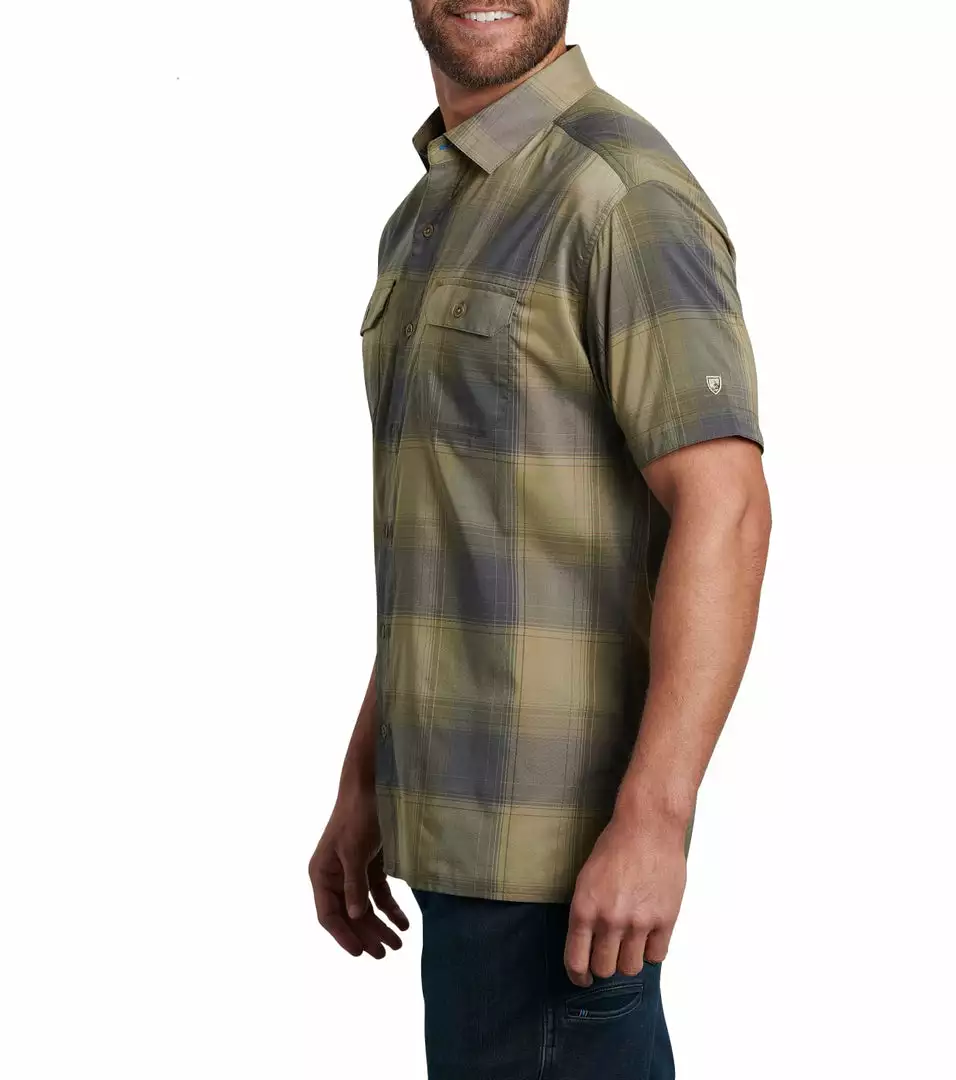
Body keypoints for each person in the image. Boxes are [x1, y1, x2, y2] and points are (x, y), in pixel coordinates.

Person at [308, 2, 771, 1076]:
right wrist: (369, 772)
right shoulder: (428, 214)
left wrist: (655, 820)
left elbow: (727, 507)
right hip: (455, 849)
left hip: (564, 872)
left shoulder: (621, 195)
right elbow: (462, 533)